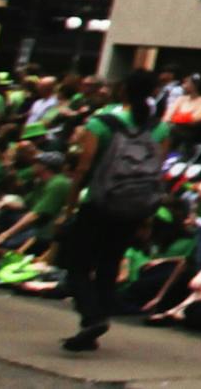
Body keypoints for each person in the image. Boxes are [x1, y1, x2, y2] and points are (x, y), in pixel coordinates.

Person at [57, 69, 167, 352]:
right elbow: (156, 173)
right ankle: (98, 320)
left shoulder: (102, 122)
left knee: (77, 265)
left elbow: (83, 168)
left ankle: (91, 317)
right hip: (133, 206)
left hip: (99, 202)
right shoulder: (159, 129)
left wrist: (69, 207)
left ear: (123, 91)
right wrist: (148, 215)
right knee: (109, 263)